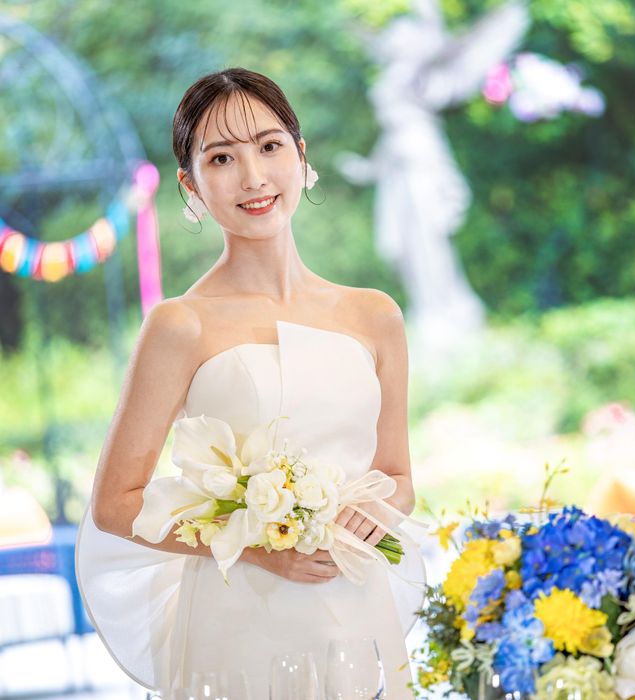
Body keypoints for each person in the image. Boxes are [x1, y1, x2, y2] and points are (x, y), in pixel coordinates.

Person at [75, 67, 427, 698]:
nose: (253, 176)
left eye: (269, 146)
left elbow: (398, 477)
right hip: (235, 620)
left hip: (350, 606)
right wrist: (261, 547)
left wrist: (368, 514)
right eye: (221, 158)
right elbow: (115, 503)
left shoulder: (375, 315)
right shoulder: (179, 324)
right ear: (190, 184)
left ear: (301, 155)